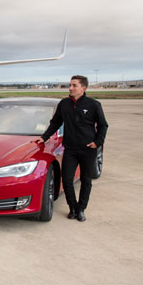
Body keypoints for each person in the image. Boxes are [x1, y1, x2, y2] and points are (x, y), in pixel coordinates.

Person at [34, 75, 108, 222]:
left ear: (83, 88)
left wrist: (97, 142)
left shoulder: (94, 104)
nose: (71, 88)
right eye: (70, 85)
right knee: (66, 180)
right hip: (70, 150)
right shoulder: (64, 104)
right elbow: (55, 122)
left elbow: (103, 125)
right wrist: (44, 137)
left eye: (74, 85)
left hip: (88, 149)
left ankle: (81, 209)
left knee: (86, 180)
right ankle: (72, 207)